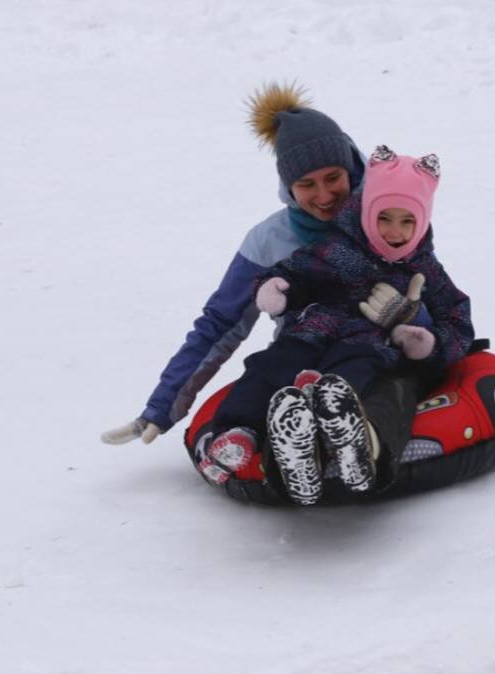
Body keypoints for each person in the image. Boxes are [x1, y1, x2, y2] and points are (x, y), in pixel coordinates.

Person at [100, 83, 436, 495]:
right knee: (268, 375)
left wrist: (409, 317)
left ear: (354, 168)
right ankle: (267, 443)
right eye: (307, 184)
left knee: (383, 389)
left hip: (377, 355)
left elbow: (438, 300)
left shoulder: (391, 215)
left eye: (333, 178)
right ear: (288, 187)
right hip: (299, 356)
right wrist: (163, 405)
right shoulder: (269, 242)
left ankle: (360, 447)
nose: (324, 195)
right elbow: (220, 323)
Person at [200, 146, 474, 505]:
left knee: (354, 372)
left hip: (368, 343)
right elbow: (299, 271)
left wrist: (429, 343)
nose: (395, 232)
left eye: (408, 221)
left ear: (422, 221)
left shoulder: (425, 268)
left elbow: (458, 319)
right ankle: (239, 433)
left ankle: (336, 429)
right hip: (313, 329)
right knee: (269, 366)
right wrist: (279, 287)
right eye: (384, 218)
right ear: (368, 211)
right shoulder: (340, 246)